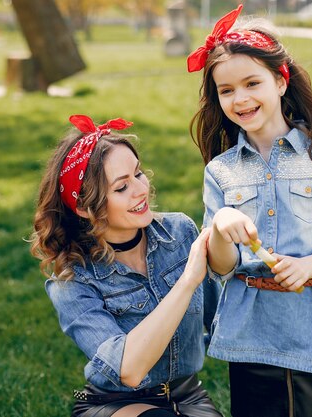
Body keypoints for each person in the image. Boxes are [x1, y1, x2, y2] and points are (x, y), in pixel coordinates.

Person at [187, 5, 312, 417]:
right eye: (226, 90)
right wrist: (220, 226)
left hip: (308, 324)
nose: (240, 99)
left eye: (252, 83)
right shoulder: (220, 171)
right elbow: (220, 266)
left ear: (280, 79)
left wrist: (309, 266)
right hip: (248, 328)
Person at [31, 114, 223, 417]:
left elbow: (222, 319)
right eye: (121, 188)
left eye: (139, 173)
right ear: (84, 207)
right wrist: (187, 282)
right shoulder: (73, 281)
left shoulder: (181, 233)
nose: (140, 189)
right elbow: (128, 370)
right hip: (116, 403)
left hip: (187, 397)